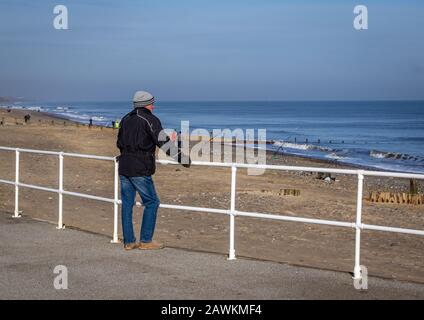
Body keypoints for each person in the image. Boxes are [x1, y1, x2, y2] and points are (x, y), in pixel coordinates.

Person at [117, 91, 191, 251]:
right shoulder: (150, 119)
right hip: (140, 167)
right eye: (152, 103)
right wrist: (183, 159)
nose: (153, 106)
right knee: (152, 202)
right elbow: (163, 142)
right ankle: (145, 241)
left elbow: (119, 143)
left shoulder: (125, 119)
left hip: (124, 165)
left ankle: (129, 242)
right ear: (145, 104)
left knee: (127, 204)